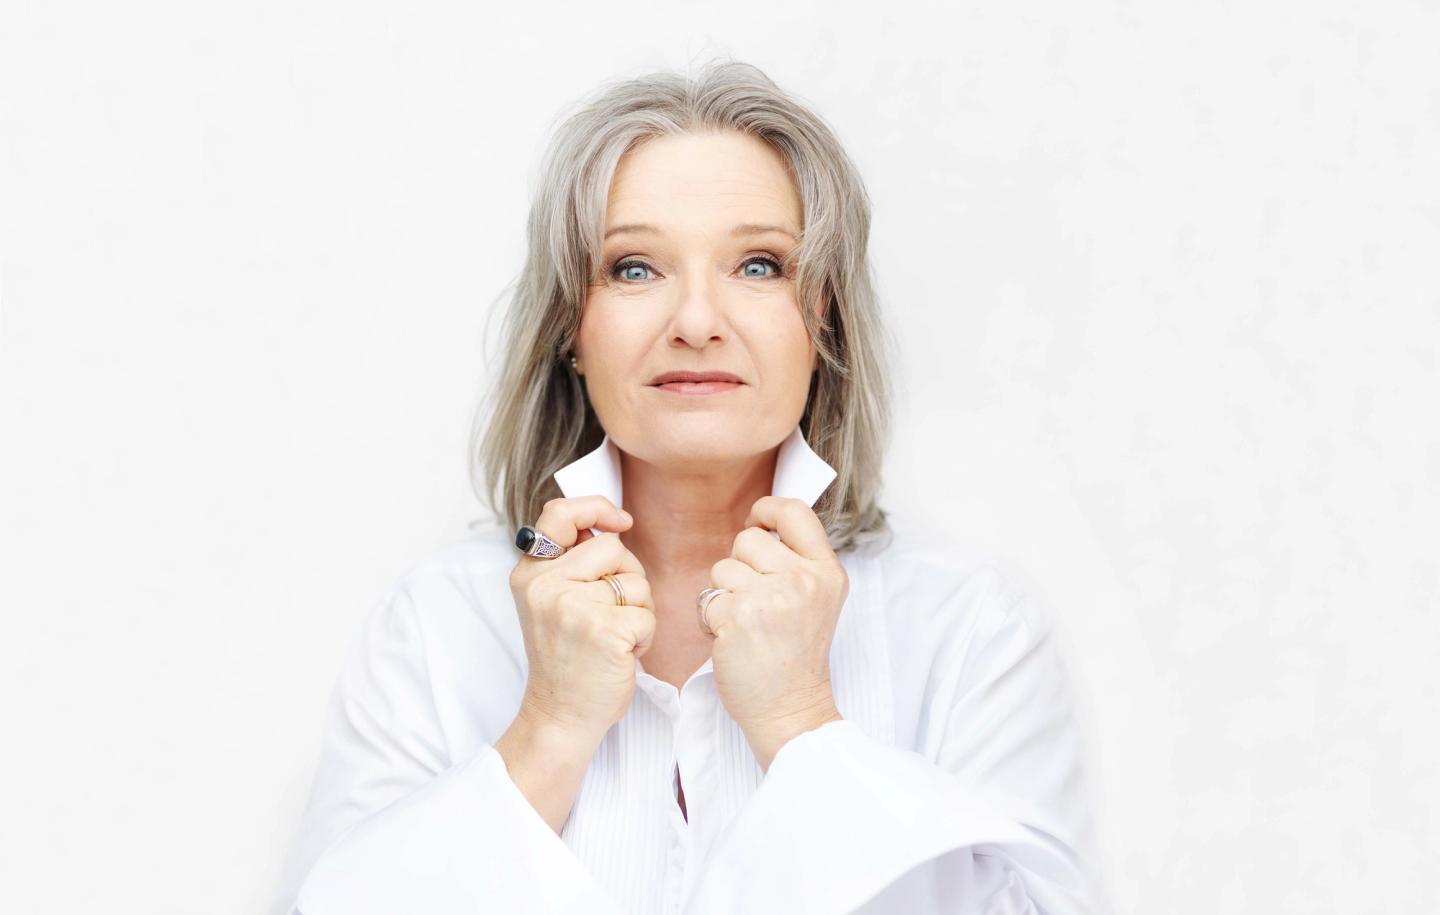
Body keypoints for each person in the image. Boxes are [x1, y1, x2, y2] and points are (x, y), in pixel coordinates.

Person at [271, 59, 1104, 914]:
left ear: (821, 314)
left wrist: (801, 721)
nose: (698, 322)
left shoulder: (971, 627)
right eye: (635, 268)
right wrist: (548, 729)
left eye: (759, 265)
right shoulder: (437, 624)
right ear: (571, 325)